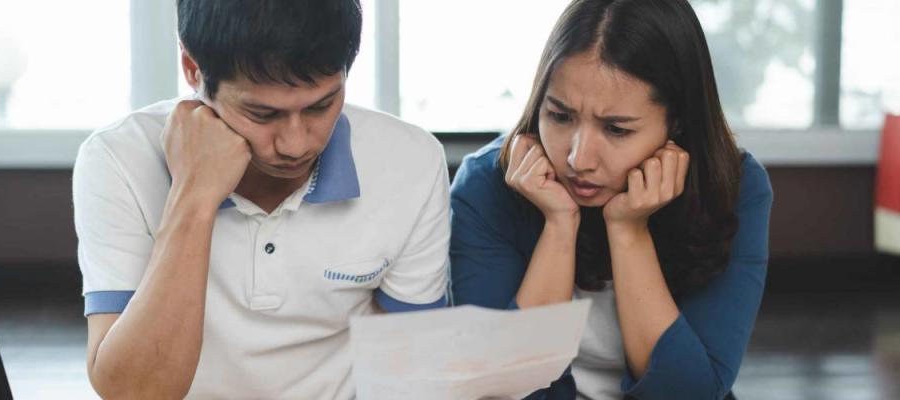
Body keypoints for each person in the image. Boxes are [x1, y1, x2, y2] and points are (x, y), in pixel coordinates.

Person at [73, 1, 450, 398]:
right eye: (262, 114)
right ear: (192, 69)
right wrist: (194, 198)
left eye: (321, 106)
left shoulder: (411, 160)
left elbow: (417, 366)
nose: (295, 144)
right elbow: (135, 393)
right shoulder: (116, 159)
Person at [449, 0, 772, 398]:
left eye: (617, 129)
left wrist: (628, 232)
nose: (577, 159)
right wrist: (559, 227)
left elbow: (689, 393)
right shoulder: (487, 185)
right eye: (560, 117)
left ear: (678, 122)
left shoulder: (733, 188)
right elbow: (499, 389)